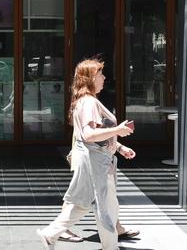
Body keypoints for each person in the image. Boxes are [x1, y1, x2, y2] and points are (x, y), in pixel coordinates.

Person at [36, 58, 135, 250]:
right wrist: (118, 130)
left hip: (96, 160)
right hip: (96, 162)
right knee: (102, 206)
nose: (104, 78)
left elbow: (95, 133)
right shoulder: (89, 102)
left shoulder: (86, 101)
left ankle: (51, 234)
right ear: (90, 78)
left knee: (89, 204)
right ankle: (110, 246)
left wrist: (120, 147)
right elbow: (89, 135)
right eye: (100, 74)